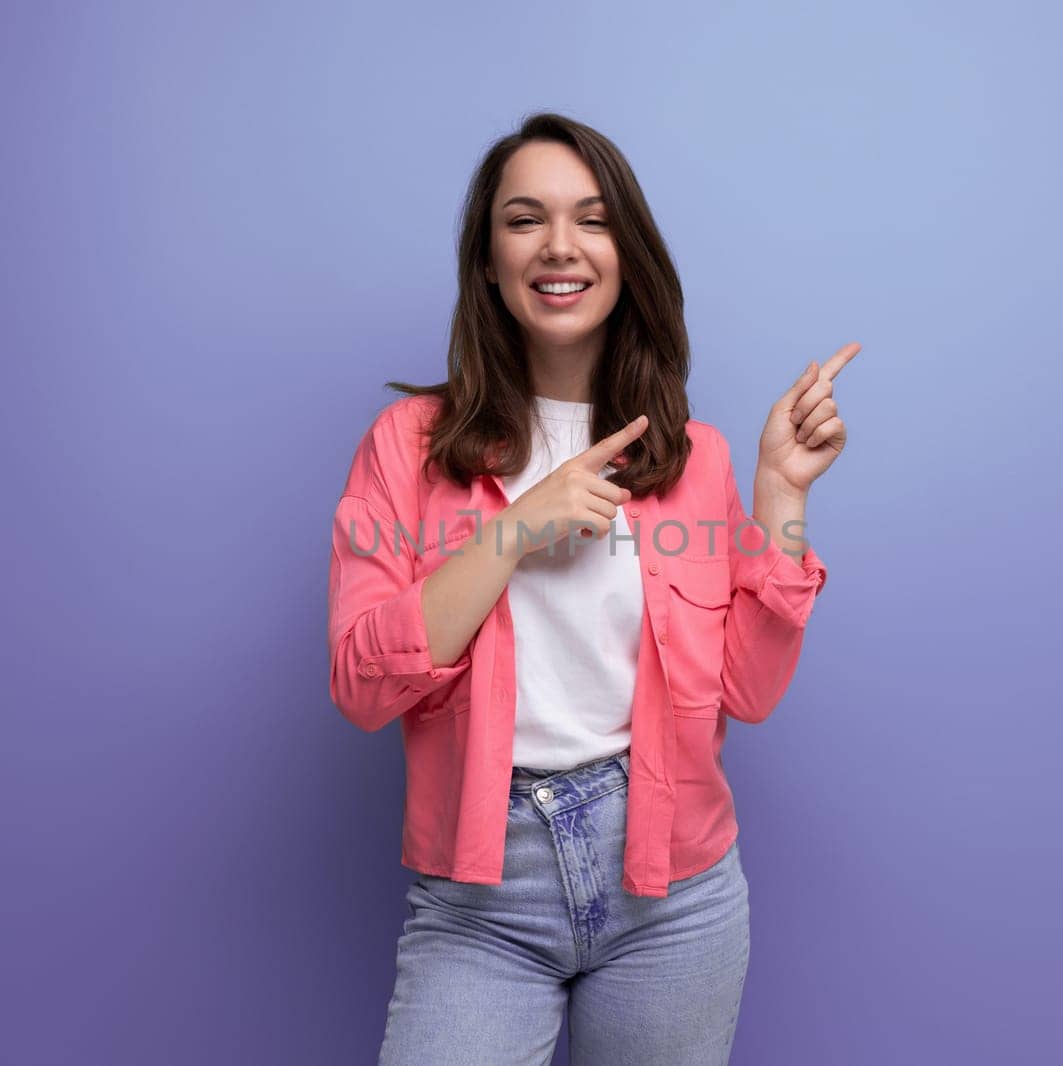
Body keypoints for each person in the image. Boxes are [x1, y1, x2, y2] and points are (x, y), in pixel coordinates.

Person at [326, 112, 859, 1066]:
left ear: (628, 255)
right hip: (480, 895)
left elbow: (751, 691)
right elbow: (364, 689)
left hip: (675, 895)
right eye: (525, 219)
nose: (560, 247)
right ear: (488, 261)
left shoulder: (696, 460)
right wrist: (514, 530)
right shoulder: (408, 449)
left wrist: (780, 495)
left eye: (594, 220)